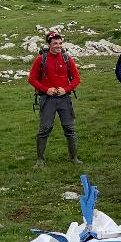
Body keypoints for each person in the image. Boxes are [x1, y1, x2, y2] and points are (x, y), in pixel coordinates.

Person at [28, 30, 81, 167]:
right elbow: (32, 78)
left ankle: (74, 158)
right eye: (55, 43)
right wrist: (46, 90)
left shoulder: (67, 58)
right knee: (44, 129)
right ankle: (40, 160)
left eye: (60, 43)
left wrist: (66, 89)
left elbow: (76, 79)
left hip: (64, 98)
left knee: (69, 129)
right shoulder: (41, 59)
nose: (58, 46)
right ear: (49, 44)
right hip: (47, 99)